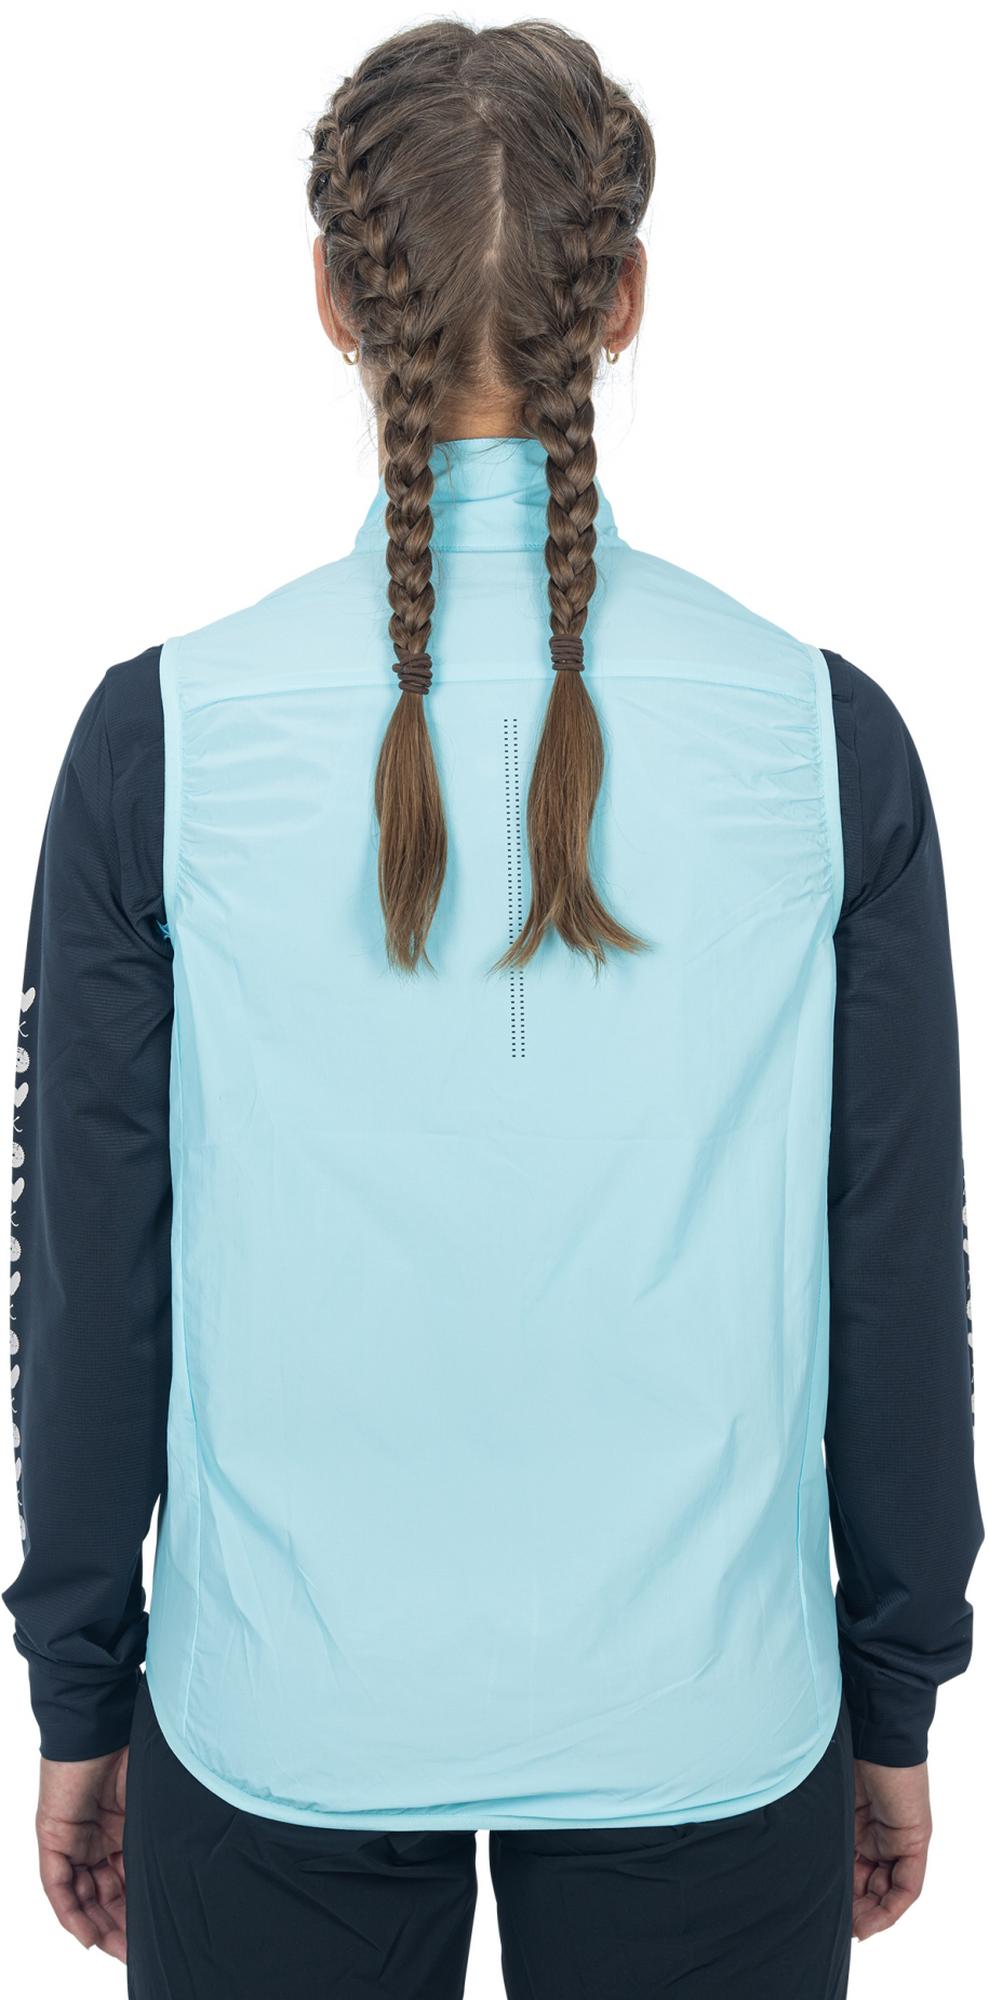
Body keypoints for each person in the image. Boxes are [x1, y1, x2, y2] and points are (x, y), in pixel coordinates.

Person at [4, 19, 982, 2000]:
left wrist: (82, 1693)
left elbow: (92, 1274)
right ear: (626, 300)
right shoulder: (825, 738)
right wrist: (893, 1694)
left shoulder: (161, 739)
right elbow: (894, 1261)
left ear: (326, 296)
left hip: (271, 1729)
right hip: (713, 1729)